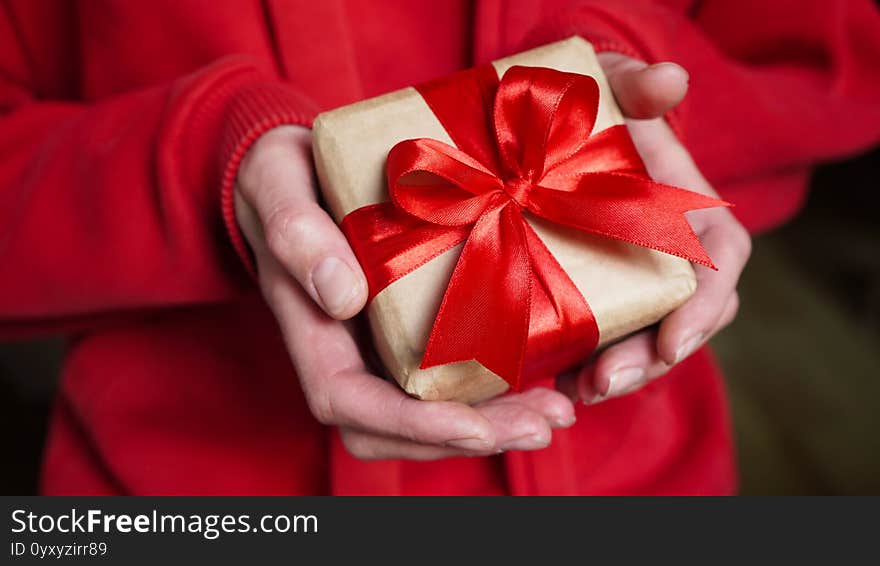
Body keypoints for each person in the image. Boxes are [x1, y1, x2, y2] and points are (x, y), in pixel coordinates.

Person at [2, 0, 878, 495]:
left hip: (637, 476)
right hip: (178, 490)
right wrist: (206, 169)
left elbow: (829, 61)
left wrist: (624, 102)